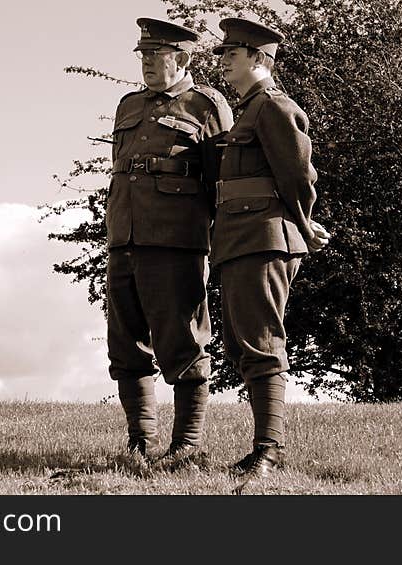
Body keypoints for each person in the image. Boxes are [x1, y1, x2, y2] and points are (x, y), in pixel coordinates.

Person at [106, 18, 233, 465]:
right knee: (124, 344)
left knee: (182, 340)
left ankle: (187, 445)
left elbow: (223, 181)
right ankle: (139, 441)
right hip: (124, 237)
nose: (146, 64)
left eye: (155, 56)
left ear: (182, 58)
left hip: (177, 241)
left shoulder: (206, 106)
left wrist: (221, 244)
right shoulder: (128, 105)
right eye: (142, 56)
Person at [210, 18, 328, 488]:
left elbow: (299, 177)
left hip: (265, 236)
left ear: (260, 59)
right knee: (247, 343)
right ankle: (263, 447)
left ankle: (269, 451)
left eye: (231, 55)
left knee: (262, 342)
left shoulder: (275, 108)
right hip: (242, 239)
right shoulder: (247, 111)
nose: (222, 62)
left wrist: (303, 222)